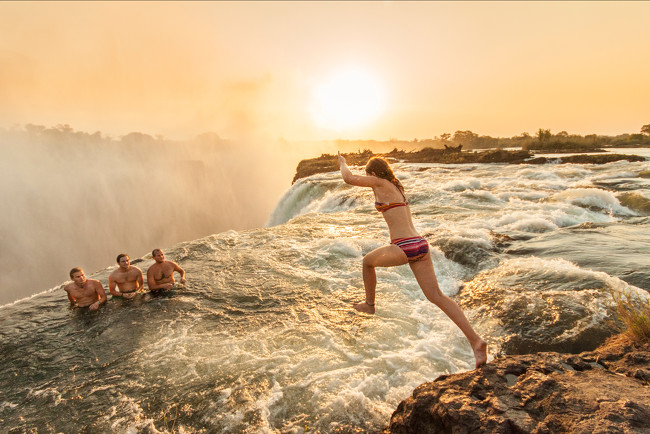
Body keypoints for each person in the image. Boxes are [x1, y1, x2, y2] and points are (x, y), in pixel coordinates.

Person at [338, 152, 487, 368]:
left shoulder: (379, 182)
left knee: (367, 262)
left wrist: (342, 163)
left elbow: (348, 178)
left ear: (372, 172)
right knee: (437, 296)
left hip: (403, 246)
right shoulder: (396, 186)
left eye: (368, 175)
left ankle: (369, 305)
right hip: (420, 245)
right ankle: (476, 342)